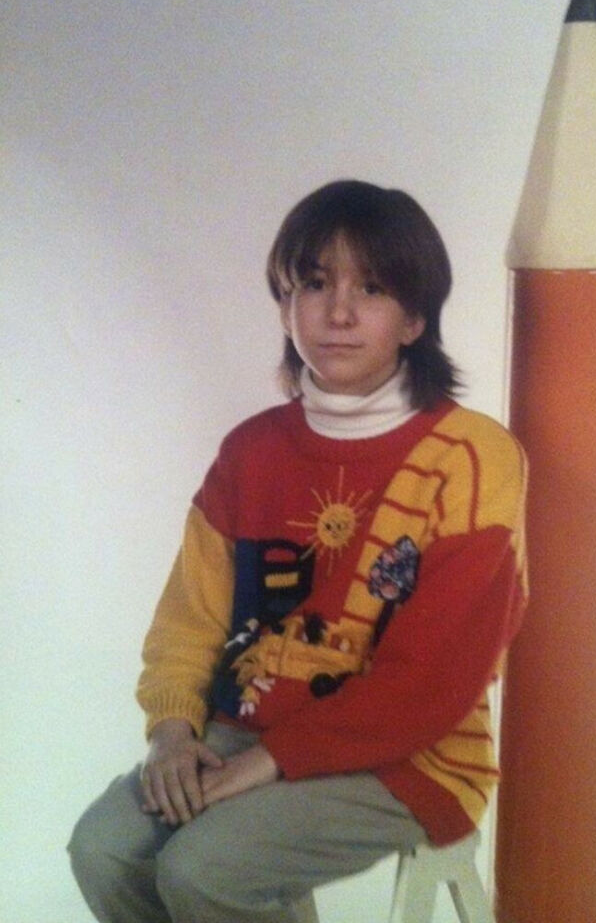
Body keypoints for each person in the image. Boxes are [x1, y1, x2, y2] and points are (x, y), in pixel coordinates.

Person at [69, 179, 528, 923]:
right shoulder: (251, 451)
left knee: (204, 869)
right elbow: (190, 621)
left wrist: (272, 762)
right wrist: (173, 734)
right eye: (314, 284)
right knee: (105, 848)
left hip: (412, 754)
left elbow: (431, 683)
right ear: (286, 305)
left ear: (415, 318)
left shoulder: (471, 456)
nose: (338, 313)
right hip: (248, 726)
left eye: (371, 289)